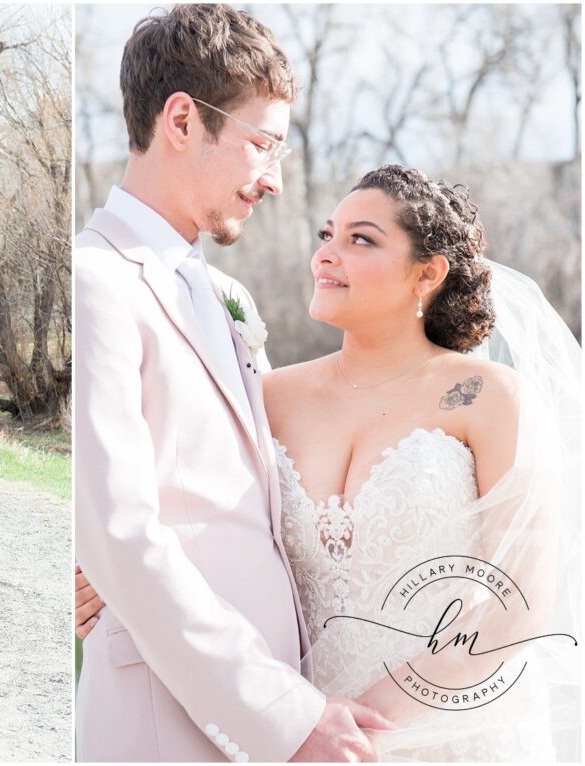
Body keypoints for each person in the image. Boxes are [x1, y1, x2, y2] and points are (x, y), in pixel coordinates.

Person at [77, 165, 582, 760]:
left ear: (428, 273)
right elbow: (180, 503)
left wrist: (361, 727)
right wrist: (98, 572)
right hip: (299, 725)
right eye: (326, 236)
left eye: (360, 240)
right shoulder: (268, 397)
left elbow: (518, 608)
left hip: (442, 730)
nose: (326, 255)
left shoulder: (489, 397)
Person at [74, 5, 390, 762]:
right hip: (165, 721)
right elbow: (121, 535)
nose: (274, 180)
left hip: (279, 701)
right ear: (182, 121)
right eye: (261, 144)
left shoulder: (229, 299)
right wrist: (286, 717)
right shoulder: (92, 284)